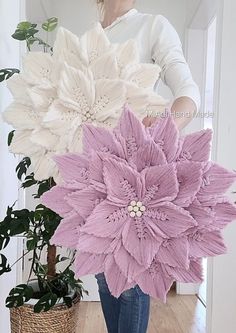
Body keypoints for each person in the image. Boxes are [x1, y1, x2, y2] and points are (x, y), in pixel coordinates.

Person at [94, 1, 201, 332]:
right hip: (95, 180)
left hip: (134, 179)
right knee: (105, 281)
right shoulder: (91, 38)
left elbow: (189, 94)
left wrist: (163, 127)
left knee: (130, 286)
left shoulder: (152, 25)